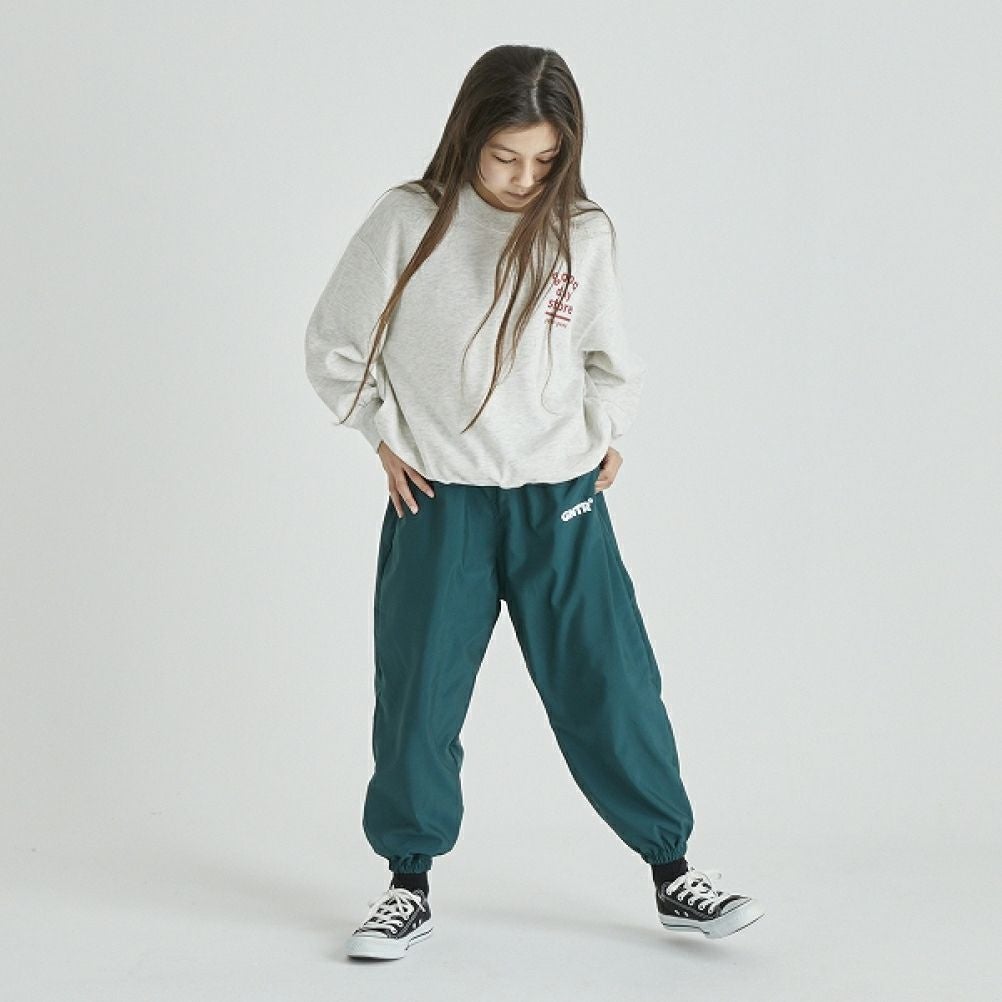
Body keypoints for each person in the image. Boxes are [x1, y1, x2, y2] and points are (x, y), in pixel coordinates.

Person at [305, 44, 764, 961]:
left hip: (560, 497)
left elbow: (610, 358)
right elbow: (335, 344)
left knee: (610, 680)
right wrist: (381, 437)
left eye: (544, 160)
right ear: (469, 137)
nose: (523, 178)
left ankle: (673, 872)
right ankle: (406, 885)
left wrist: (604, 433)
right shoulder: (410, 219)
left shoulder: (581, 231)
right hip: (440, 498)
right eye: (505, 157)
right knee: (419, 694)